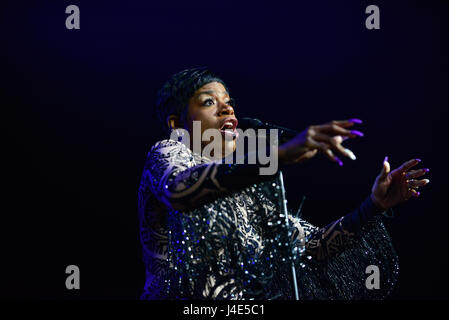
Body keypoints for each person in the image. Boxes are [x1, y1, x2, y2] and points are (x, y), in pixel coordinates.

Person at [138, 67, 430, 300]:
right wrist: (278, 156)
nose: (228, 110)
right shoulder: (168, 151)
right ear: (176, 124)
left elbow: (310, 246)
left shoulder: (251, 187)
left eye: (230, 104)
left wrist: (373, 205)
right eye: (209, 102)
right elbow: (178, 190)